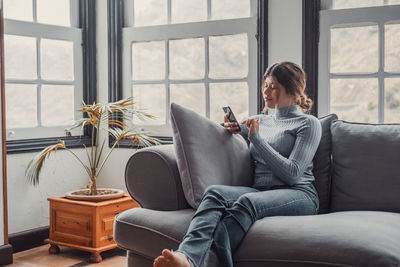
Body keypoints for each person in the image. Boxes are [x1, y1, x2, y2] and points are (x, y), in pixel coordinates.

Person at [153, 61, 322, 267]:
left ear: (294, 90)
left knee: (247, 203)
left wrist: (256, 140)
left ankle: (203, 264)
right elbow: (234, 133)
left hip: (299, 194)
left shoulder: (308, 124)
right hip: (260, 190)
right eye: (265, 85)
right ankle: (186, 255)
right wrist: (230, 127)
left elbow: (293, 173)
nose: (266, 91)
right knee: (215, 192)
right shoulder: (258, 120)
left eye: (274, 86)